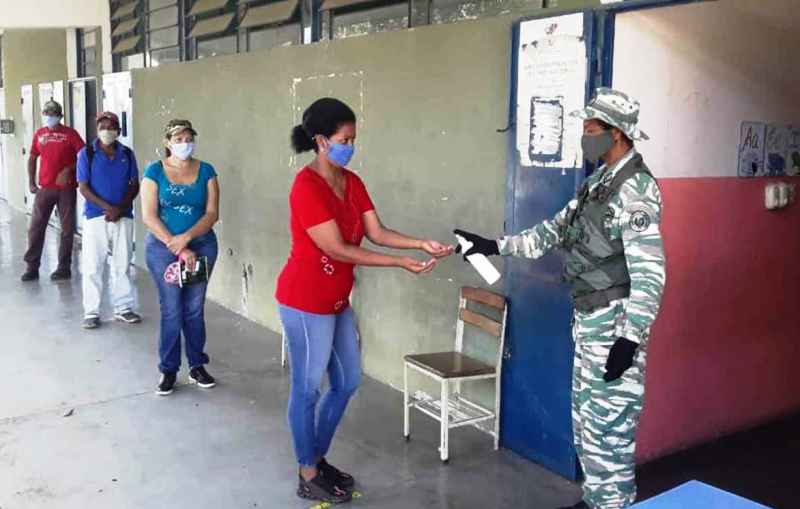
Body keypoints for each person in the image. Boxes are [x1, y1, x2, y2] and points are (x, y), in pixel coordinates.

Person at [456, 88, 666, 509]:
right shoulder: (596, 185)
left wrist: (630, 338)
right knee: (587, 420)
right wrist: (492, 245)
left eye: (592, 131)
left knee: (611, 428)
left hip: (615, 323)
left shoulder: (636, 190)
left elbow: (650, 274)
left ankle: (614, 503)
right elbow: (551, 232)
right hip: (589, 320)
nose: (585, 138)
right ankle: (595, 499)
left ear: (618, 134)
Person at [277, 98, 454, 504]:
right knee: (307, 390)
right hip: (305, 301)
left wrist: (419, 242)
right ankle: (308, 470)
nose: (350, 146)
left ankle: (316, 459)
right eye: (344, 139)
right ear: (320, 141)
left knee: (348, 381)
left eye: (354, 139)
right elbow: (337, 248)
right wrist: (399, 264)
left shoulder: (351, 181)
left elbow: (376, 230)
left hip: (337, 301)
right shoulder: (306, 187)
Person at [140, 119, 219, 396]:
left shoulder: (206, 170)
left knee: (194, 309)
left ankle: (197, 364)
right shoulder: (154, 171)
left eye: (188, 138)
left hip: (202, 246)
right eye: (178, 139)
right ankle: (169, 369)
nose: (184, 143)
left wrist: (188, 239)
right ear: (168, 143)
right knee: (172, 308)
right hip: (163, 249)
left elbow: (212, 213)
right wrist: (179, 246)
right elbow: (148, 215)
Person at [77, 112, 141, 329]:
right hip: (96, 217)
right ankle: (92, 312)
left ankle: (123, 308)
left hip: (124, 216)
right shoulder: (86, 153)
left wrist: (120, 208)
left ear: (119, 131)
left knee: (123, 263)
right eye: (103, 126)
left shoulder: (127, 153)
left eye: (112, 126)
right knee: (93, 265)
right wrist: (109, 208)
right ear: (97, 129)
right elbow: (83, 188)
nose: (107, 129)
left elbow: (134, 184)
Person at [21, 100, 85, 282]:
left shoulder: (70, 134)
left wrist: (68, 169)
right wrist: (31, 182)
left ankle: (63, 268)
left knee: (66, 229)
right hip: (45, 188)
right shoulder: (39, 134)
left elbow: (84, 156)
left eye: (53, 113)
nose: (50, 116)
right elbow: (32, 158)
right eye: (47, 113)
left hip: (66, 189)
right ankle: (32, 267)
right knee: (36, 228)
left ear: (60, 115)